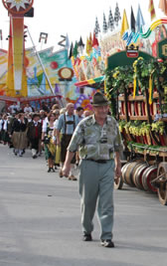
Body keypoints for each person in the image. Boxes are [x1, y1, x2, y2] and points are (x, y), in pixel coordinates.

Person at [62, 92, 123, 248]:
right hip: (88, 165)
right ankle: (87, 229)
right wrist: (67, 165)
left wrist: (118, 165)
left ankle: (107, 236)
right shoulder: (85, 124)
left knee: (107, 202)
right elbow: (73, 146)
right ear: (94, 109)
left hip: (107, 165)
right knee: (88, 202)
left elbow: (117, 146)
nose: (103, 110)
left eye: (105, 107)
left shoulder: (112, 123)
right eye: (100, 108)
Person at [54, 103, 80, 180]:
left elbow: (78, 129)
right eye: (71, 107)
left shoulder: (76, 117)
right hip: (64, 136)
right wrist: (58, 139)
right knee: (63, 153)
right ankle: (62, 168)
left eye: (73, 107)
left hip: (73, 137)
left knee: (73, 154)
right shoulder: (62, 117)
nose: (72, 109)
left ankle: (71, 173)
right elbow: (58, 129)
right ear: (67, 108)